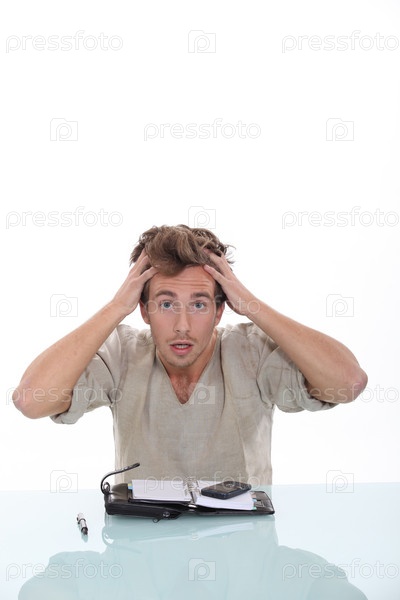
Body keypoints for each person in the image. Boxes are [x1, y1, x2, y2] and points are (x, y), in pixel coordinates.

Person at [13, 224, 368, 485]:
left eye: (198, 304)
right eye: (166, 304)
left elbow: (348, 382)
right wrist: (115, 308)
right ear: (143, 309)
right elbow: (30, 400)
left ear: (219, 310)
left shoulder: (250, 351)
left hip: (240, 546)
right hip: (142, 548)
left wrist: (251, 304)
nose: (182, 326)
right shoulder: (123, 353)